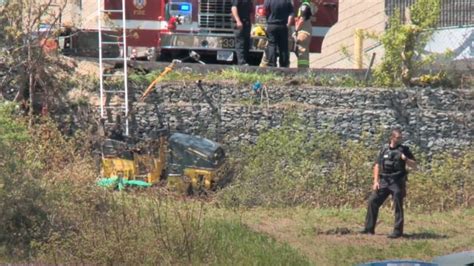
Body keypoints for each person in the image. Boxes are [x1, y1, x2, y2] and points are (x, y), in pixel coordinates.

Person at [360, 128, 417, 238]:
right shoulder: (384, 149)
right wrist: (375, 181)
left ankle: (397, 231)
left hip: (397, 181)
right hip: (384, 180)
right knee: (373, 201)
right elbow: (377, 165)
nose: (399, 140)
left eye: (401, 138)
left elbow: (414, 165)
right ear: (392, 137)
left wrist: (406, 159)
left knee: (398, 206)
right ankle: (369, 229)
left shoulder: (404, 150)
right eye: (397, 138)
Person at [264, 0, 294, 67]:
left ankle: (272, 64)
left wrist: (267, 22)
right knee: (283, 46)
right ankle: (283, 65)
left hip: (271, 25)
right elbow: (291, 13)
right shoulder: (287, 1)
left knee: (272, 45)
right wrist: (288, 24)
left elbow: (265, 11)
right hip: (283, 25)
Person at [231, 0, 254, 65]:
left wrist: (253, 22)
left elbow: (251, 10)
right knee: (240, 42)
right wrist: (238, 21)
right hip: (240, 22)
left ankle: (245, 61)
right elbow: (234, 8)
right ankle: (241, 63)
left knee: (246, 42)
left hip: (247, 22)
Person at [293, 0, 314, 68]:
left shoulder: (304, 6)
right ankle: (305, 70)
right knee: (304, 54)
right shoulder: (308, 5)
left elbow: (302, 19)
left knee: (302, 53)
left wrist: (296, 29)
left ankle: (302, 71)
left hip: (303, 32)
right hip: (305, 32)